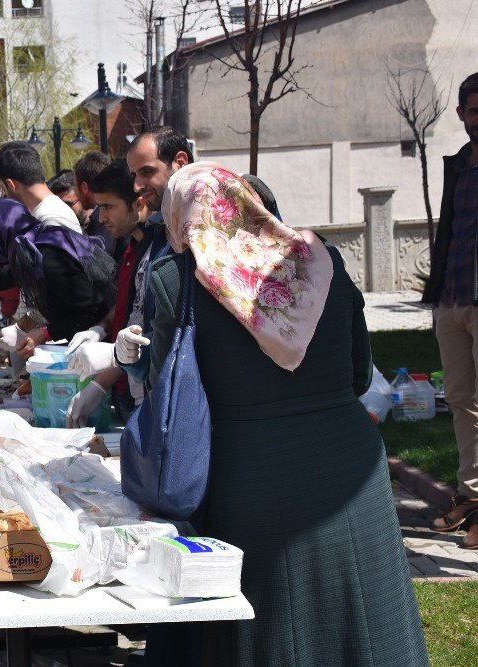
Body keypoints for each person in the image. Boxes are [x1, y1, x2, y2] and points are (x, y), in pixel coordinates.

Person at [134, 162, 427, 665]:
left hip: (249, 474)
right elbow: (360, 374)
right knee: (363, 618)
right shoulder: (321, 261)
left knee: (275, 625)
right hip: (349, 462)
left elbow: (167, 393)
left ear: (182, 218)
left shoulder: (173, 281)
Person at [65, 160, 167, 426]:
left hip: (149, 391)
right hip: (127, 386)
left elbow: (157, 331)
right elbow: (127, 306)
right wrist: (100, 328)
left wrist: (102, 379)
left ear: (139, 203)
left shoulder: (159, 252)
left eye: (109, 207)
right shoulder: (132, 247)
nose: (101, 217)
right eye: (100, 208)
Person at [422, 72, 478, 549]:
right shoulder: (459, 165)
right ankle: (470, 495)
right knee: (462, 401)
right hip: (454, 298)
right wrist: (437, 295)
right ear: (461, 114)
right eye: (474, 110)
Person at [0, 199, 115, 355]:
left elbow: (91, 310)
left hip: (104, 347)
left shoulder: (46, 256)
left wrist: (44, 334)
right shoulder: (34, 242)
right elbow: (14, 273)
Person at [0, 141, 83, 233]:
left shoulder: (48, 221)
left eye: (3, 188)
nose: (5, 196)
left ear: (11, 184)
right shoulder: (54, 211)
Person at [74, 151, 120, 258]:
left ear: (84, 187)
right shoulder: (110, 215)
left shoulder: (105, 222)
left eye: (75, 186)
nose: (102, 218)